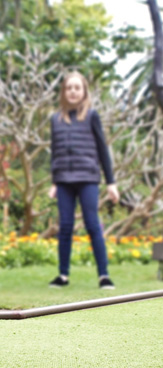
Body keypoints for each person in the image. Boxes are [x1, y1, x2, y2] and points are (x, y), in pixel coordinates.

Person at [48, 71, 120, 290]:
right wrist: (54, 181)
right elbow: (56, 152)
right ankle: (62, 275)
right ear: (64, 92)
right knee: (66, 227)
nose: (73, 91)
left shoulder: (92, 116)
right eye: (69, 87)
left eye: (77, 87)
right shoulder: (55, 119)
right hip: (63, 181)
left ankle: (104, 275)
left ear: (84, 91)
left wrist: (111, 183)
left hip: (87, 177)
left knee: (92, 225)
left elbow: (102, 150)